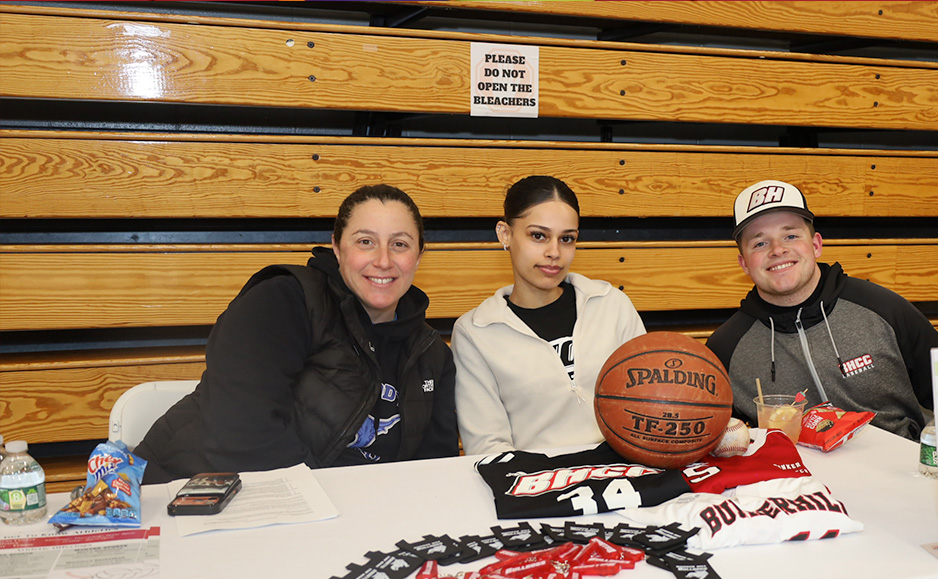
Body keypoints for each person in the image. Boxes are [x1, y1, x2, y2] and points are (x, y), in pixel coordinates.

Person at [136, 184, 458, 483]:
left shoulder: (432, 353)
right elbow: (241, 429)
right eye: (365, 242)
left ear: (418, 256)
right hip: (187, 492)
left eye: (399, 244)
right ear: (337, 247)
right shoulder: (285, 300)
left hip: (340, 522)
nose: (383, 260)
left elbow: (433, 473)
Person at [707, 179, 938, 441]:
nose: (778, 250)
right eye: (760, 243)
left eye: (791, 235)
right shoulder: (725, 349)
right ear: (743, 263)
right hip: (794, 481)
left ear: (816, 244)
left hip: (899, 475)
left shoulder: (883, 309)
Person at [452, 175, 645, 454]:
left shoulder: (612, 305)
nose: (554, 252)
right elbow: (487, 446)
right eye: (538, 236)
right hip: (537, 486)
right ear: (505, 234)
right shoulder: (475, 331)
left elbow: (651, 404)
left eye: (567, 239)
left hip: (622, 476)